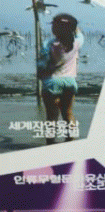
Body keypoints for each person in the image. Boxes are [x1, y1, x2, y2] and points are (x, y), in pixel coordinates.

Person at [37, 13, 83, 144]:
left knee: (51, 117)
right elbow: (78, 32)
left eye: (54, 25)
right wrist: (71, 24)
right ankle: (70, 142)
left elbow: (42, 66)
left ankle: (51, 144)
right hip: (70, 82)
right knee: (68, 113)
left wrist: (41, 75)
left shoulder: (49, 44)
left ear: (56, 29)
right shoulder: (77, 42)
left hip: (52, 82)